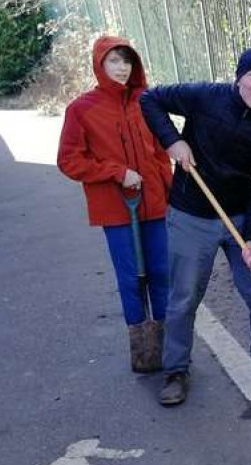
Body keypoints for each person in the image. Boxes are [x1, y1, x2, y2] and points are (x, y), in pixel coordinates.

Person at [139, 47, 251, 406]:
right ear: (239, 77)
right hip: (192, 214)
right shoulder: (206, 97)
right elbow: (151, 99)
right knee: (183, 297)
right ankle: (176, 369)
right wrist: (173, 141)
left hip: (239, 217)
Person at [57, 36, 172, 369]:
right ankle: (143, 350)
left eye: (127, 61)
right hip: (119, 210)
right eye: (113, 61)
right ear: (99, 64)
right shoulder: (82, 109)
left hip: (154, 205)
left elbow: (160, 153)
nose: (122, 68)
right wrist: (116, 172)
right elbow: (69, 160)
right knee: (131, 278)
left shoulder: (146, 100)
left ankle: (168, 347)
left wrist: (168, 189)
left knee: (162, 273)